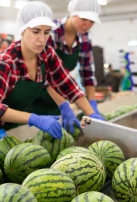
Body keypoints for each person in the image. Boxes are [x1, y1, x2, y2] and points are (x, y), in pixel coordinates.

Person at [0, 1, 104, 139]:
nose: (42, 39)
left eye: (46, 32)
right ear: (22, 30)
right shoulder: (7, 61)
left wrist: (92, 114)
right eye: (36, 31)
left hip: (6, 118)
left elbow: (69, 87)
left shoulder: (47, 54)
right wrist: (33, 118)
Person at [28, 0, 105, 132]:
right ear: (73, 14)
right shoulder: (50, 32)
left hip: (57, 97)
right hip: (34, 96)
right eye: (84, 18)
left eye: (92, 21)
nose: (87, 24)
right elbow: (45, 75)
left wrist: (92, 106)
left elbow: (87, 73)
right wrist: (64, 105)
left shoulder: (84, 37)